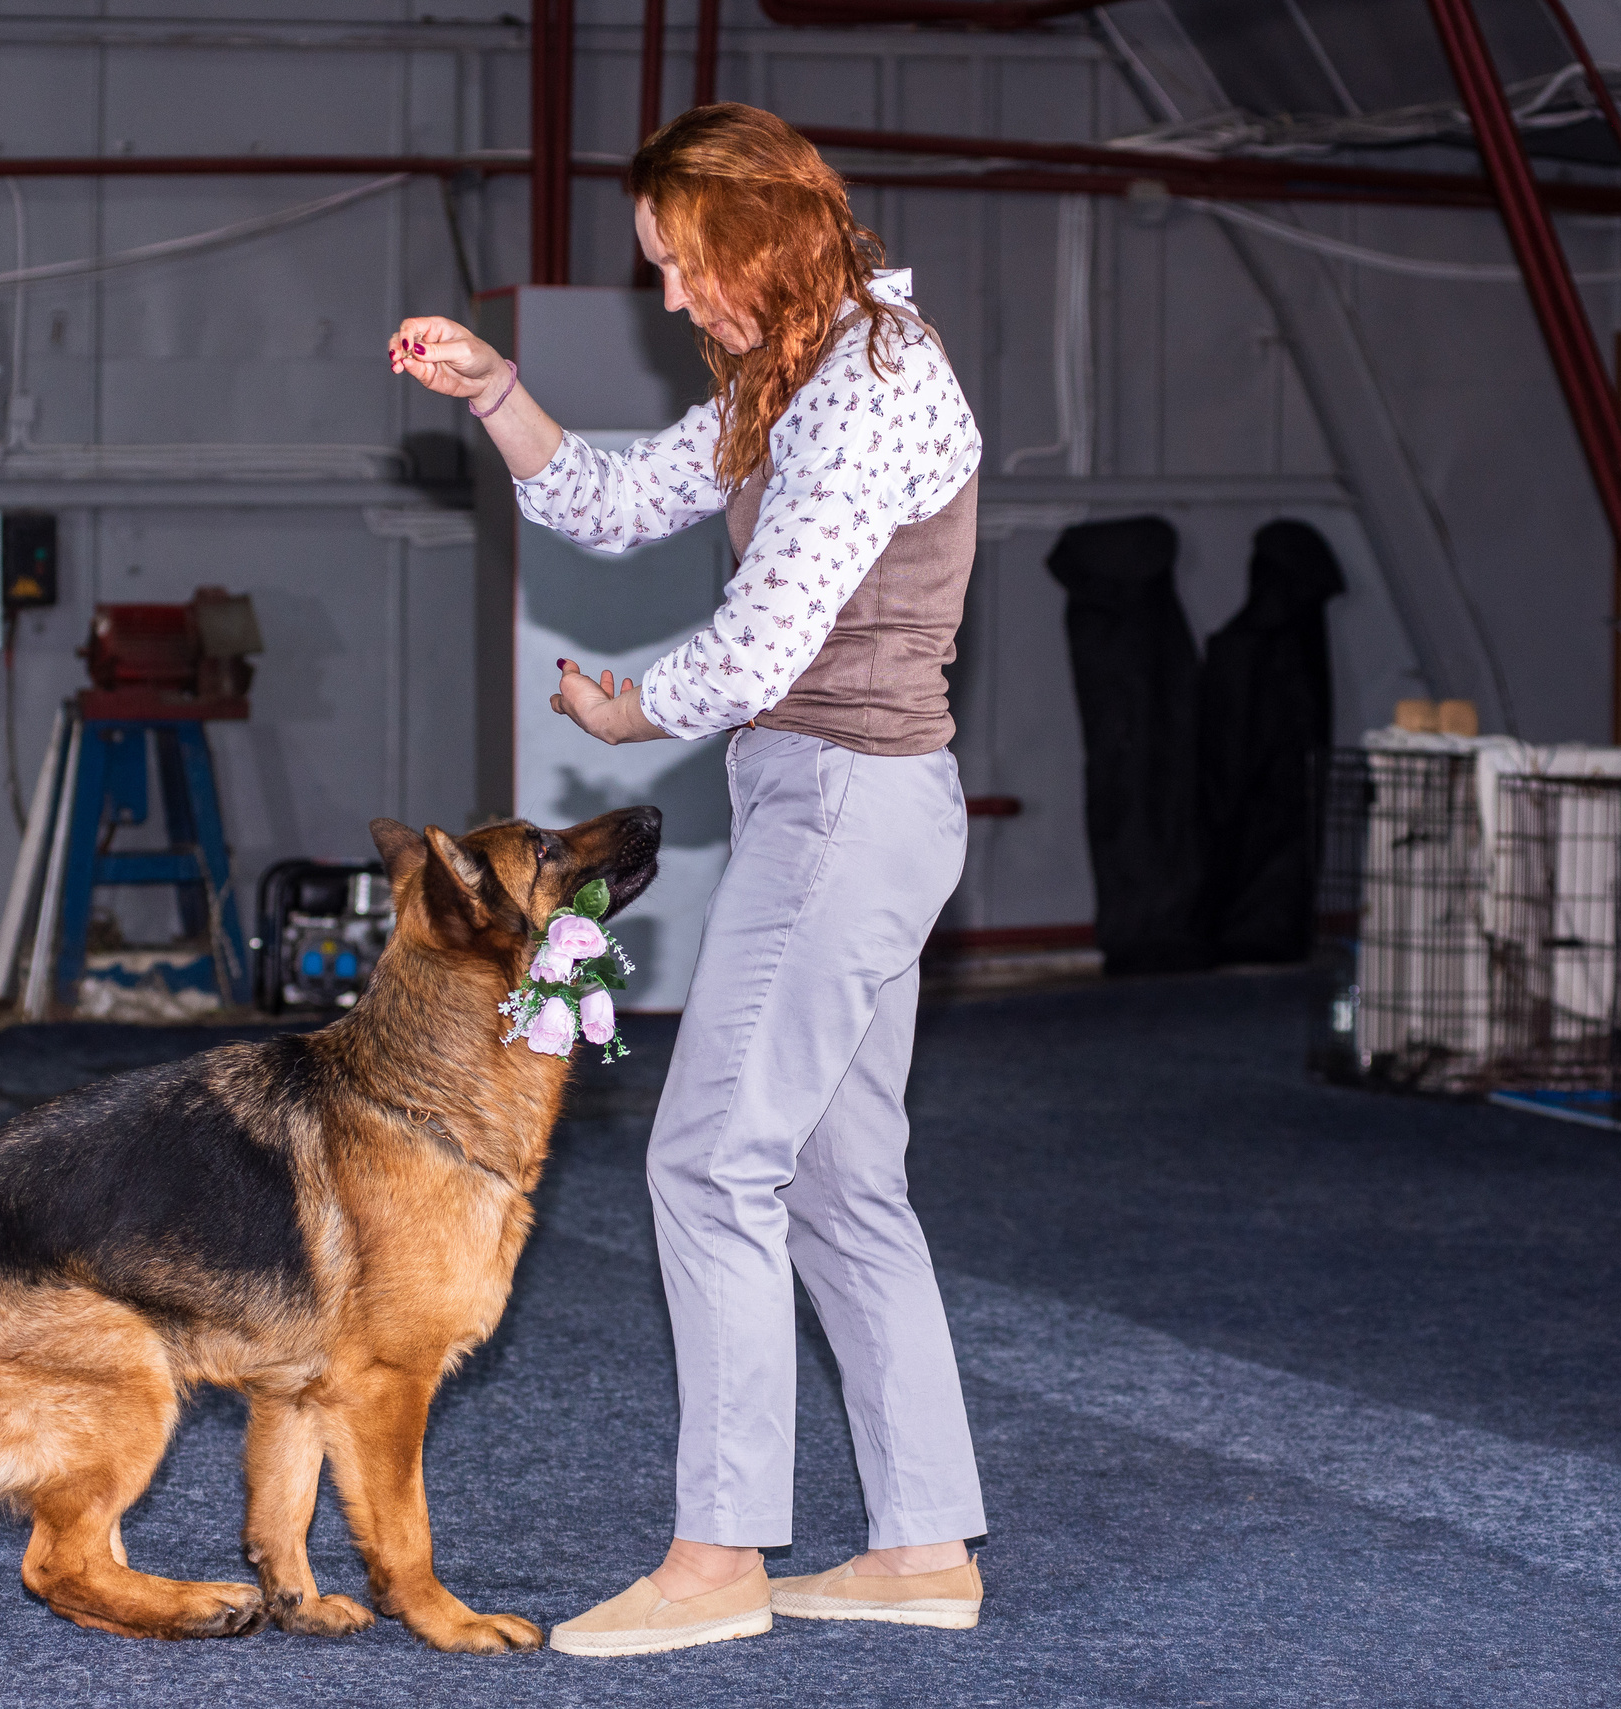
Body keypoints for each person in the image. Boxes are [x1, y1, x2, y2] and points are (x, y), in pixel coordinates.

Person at [387, 103, 986, 1659]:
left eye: (674, 264)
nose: (665, 298)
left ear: (753, 240)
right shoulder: (794, 376)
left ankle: (718, 1559)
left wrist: (626, 710)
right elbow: (609, 497)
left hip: (844, 805)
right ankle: (924, 1546)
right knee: (845, 1185)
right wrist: (498, 392)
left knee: (708, 1160)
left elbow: (767, 641)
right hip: (850, 800)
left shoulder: (866, 381)